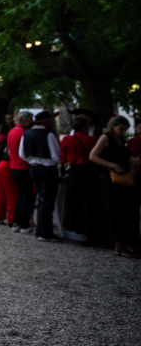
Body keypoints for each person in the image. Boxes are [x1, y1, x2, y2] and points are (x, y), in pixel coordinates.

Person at [89, 116, 141, 257]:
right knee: (113, 210)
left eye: (125, 129)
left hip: (122, 177)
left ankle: (127, 241)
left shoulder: (120, 139)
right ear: (113, 127)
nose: (123, 132)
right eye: (121, 129)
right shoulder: (105, 138)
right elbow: (92, 156)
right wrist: (112, 165)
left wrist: (131, 161)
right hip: (111, 179)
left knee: (125, 210)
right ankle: (118, 245)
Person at [20, 110, 62, 241]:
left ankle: (41, 231)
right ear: (45, 121)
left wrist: (33, 160)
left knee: (42, 199)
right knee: (47, 201)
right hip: (47, 170)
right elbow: (56, 156)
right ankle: (45, 232)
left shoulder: (26, 134)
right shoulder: (48, 135)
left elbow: (22, 154)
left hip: (34, 169)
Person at [60, 115, 103, 243]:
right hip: (90, 173)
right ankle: (90, 231)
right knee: (90, 201)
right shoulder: (93, 139)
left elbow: (63, 158)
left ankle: (78, 230)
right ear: (85, 127)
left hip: (74, 173)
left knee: (76, 202)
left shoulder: (67, 139)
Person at [8, 111, 34, 232]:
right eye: (30, 119)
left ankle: (16, 222)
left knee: (21, 197)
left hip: (14, 167)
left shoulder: (12, 131)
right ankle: (24, 224)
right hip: (23, 167)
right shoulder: (24, 133)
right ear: (24, 121)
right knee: (27, 198)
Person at [0, 123, 18, 226]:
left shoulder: (6, 137)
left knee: (1, 192)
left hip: (1, 164)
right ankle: (12, 219)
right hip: (8, 165)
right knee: (12, 193)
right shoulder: (10, 137)